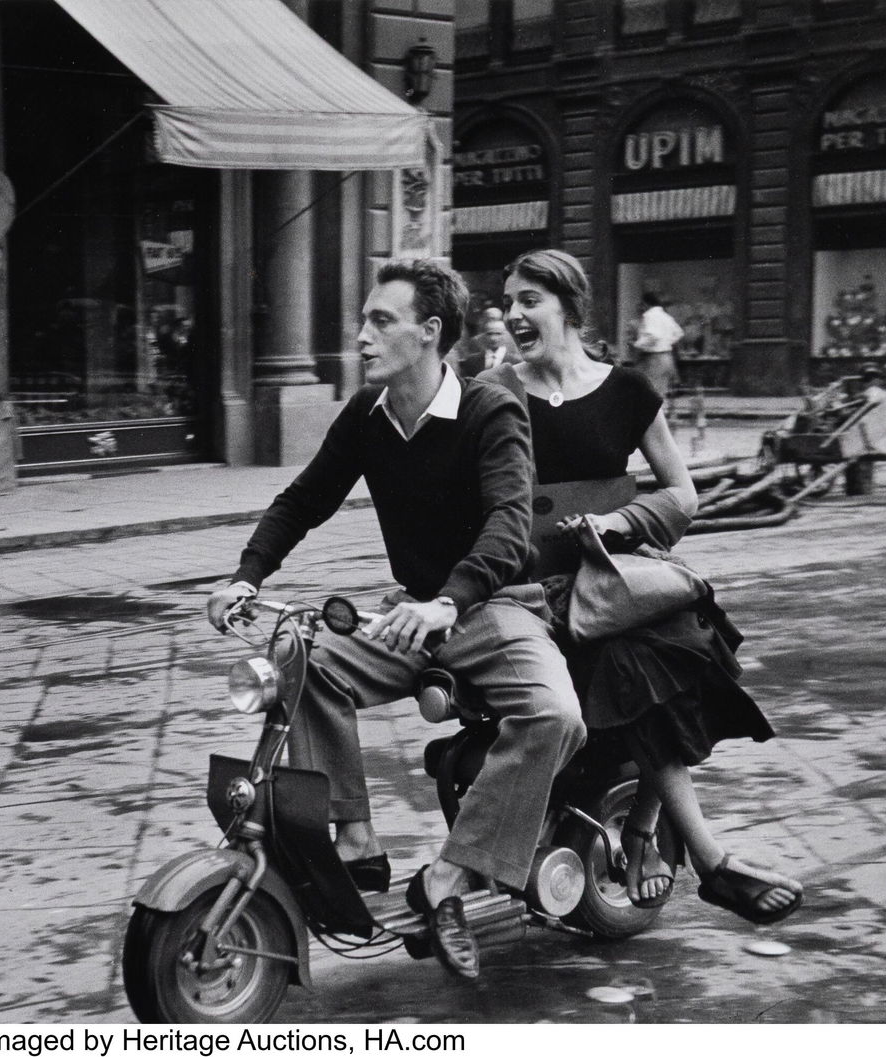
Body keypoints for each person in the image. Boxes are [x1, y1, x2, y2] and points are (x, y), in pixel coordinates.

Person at [206, 258, 585, 979]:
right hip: (412, 611)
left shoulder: (489, 409)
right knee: (304, 657)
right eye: (364, 320)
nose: (361, 336)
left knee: (555, 716)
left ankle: (451, 873)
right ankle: (354, 838)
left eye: (380, 321)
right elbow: (303, 499)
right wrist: (247, 574)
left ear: (430, 331)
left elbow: (510, 523)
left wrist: (451, 598)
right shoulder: (368, 415)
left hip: (493, 606)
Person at [482, 249, 803, 926]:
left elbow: (682, 495)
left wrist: (619, 520)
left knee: (687, 636)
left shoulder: (628, 391)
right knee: (635, 657)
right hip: (534, 586)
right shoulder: (494, 391)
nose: (513, 313)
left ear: (568, 307)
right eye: (509, 301)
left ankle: (647, 825)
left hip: (611, 575)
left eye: (529, 299)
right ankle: (705, 856)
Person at [632, 292, 683, 399]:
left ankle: (649, 414)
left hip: (653, 358)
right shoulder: (666, 316)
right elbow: (679, 333)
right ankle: (658, 414)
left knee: (649, 391)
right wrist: (667, 342)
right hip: (667, 356)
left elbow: (654, 335)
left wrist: (638, 344)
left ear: (645, 303)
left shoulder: (649, 315)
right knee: (661, 393)